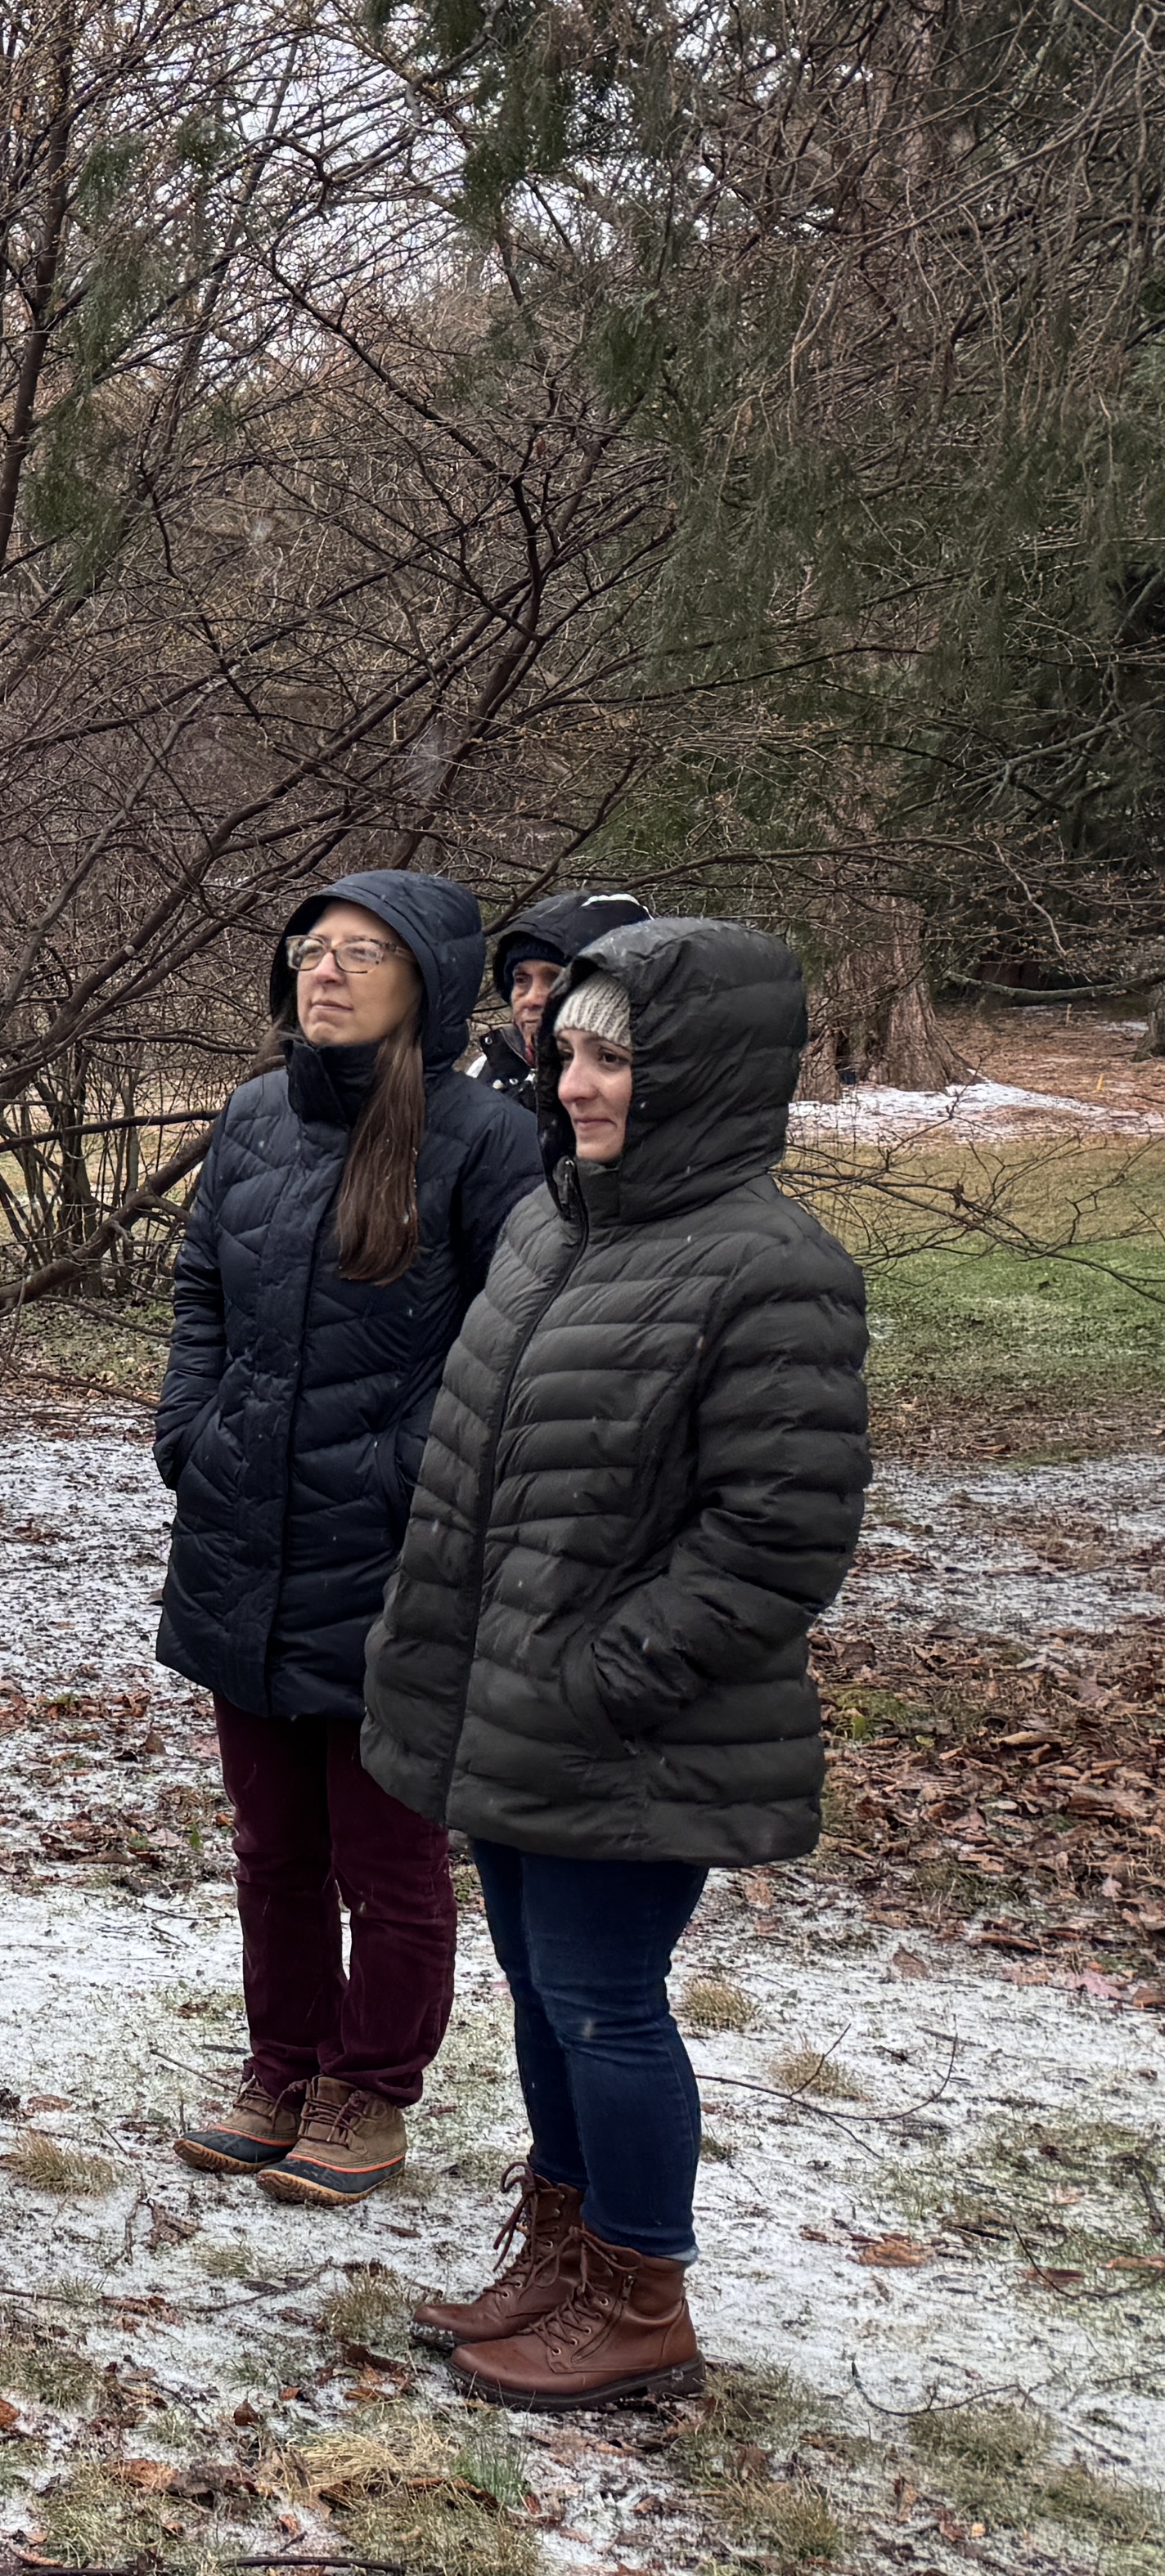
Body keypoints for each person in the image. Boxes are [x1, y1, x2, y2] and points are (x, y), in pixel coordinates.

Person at [365, 924, 868, 2411]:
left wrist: (604, 1674)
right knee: (538, 1987)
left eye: (613, 1058)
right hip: (507, 1698)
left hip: (630, 1721)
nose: (572, 1081)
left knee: (602, 1994)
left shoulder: (774, 1269)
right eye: (567, 1051)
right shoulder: (549, 1225)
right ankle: (563, 2248)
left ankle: (640, 2290)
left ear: (699, 1076)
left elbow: (778, 1534)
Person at [155, 872, 548, 2206]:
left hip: (392, 1558)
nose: (322, 971)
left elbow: (511, 1341)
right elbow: (200, 1283)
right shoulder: (254, 1117)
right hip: (243, 1537)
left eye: (360, 954)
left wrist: (407, 1474)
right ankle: (280, 2063)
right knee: (272, 1845)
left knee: (384, 1856)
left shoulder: (483, 1139)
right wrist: (190, 1431)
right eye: (310, 949)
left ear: (426, 981)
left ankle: (366, 2087)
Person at [466, 889, 654, 1148]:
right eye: (521, 980)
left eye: (555, 978)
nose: (531, 999)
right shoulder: (489, 1072)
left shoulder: (643, 1084)